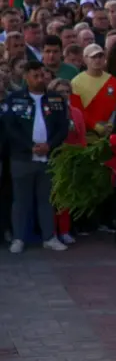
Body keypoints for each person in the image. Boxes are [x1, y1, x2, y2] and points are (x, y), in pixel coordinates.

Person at [2, 60, 69, 254]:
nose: (40, 79)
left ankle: (49, 237)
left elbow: (63, 127)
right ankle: (18, 238)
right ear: (26, 77)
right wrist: (30, 146)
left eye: (43, 75)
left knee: (46, 199)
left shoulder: (56, 99)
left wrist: (50, 145)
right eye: (36, 76)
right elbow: (10, 128)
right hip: (22, 158)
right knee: (21, 200)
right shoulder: (15, 99)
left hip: (49, 157)